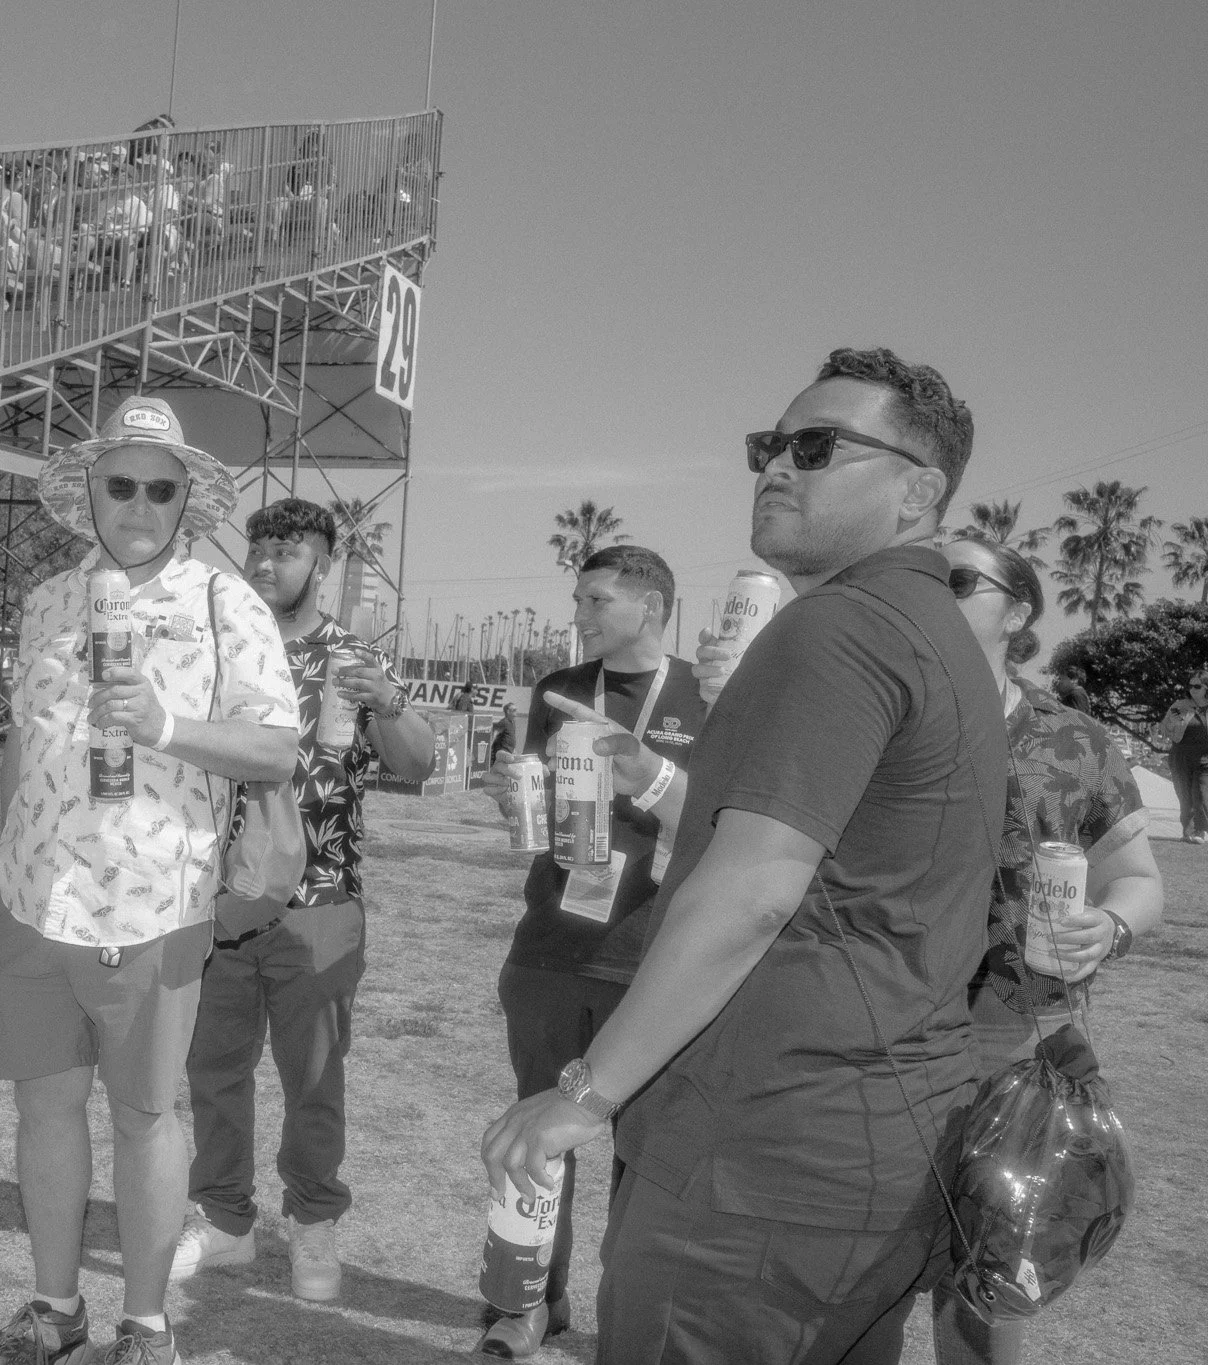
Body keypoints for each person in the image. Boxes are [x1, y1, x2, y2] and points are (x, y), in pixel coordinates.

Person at [483, 346, 1007, 1364]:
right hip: (873, 1151)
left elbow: (754, 892)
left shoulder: (839, 629)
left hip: (764, 1163)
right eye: (768, 444)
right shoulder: (923, 627)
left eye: (815, 447)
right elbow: (835, 867)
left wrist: (580, 1096)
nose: (776, 465)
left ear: (918, 493)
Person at [0, 395, 298, 1365]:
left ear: (183, 503)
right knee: (43, 1105)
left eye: (161, 491)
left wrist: (165, 725)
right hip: (30, 900)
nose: (139, 505)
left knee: (146, 1118)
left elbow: (274, 748)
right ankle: (53, 1308)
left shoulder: (221, 600)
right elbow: (20, 746)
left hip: (152, 904)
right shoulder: (48, 601)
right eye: (121, 484)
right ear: (90, 491)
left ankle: (146, 1324)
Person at [172, 497, 433, 1303]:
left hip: (318, 898)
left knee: (313, 1075)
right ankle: (225, 1221)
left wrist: (386, 701)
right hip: (217, 897)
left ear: (320, 564)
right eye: (257, 548)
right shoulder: (215, 648)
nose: (263, 564)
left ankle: (313, 1223)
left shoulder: (351, 656)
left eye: (286, 551)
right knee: (212, 1068)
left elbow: (419, 765)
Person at [929, 537, 1163, 1365]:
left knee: (991, 1272)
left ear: (1018, 610)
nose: (932, 591)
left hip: (1013, 1038)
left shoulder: (1075, 742)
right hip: (875, 1028)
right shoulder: (871, 723)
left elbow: (1137, 876)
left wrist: (1112, 925)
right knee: (861, 1263)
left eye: (956, 580)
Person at [480, 544, 706, 1358]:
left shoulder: (705, 694)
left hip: (653, 957)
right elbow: (537, 815)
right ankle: (527, 1301)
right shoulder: (560, 690)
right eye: (577, 598)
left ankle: (630, 1318)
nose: (578, 614)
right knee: (537, 1134)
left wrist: (644, 775)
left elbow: (716, 829)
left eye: (597, 599)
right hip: (548, 947)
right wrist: (518, 795)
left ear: (650, 605)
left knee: (642, 1151)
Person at [1155, 669, 1208, 843]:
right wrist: (1175, 721)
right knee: (1185, 796)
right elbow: (1166, 728)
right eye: (1190, 685)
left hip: (1205, 759)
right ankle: (1189, 831)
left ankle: (1202, 830)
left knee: (1201, 794)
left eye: (1197, 686)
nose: (1192, 689)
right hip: (1181, 757)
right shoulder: (1180, 706)